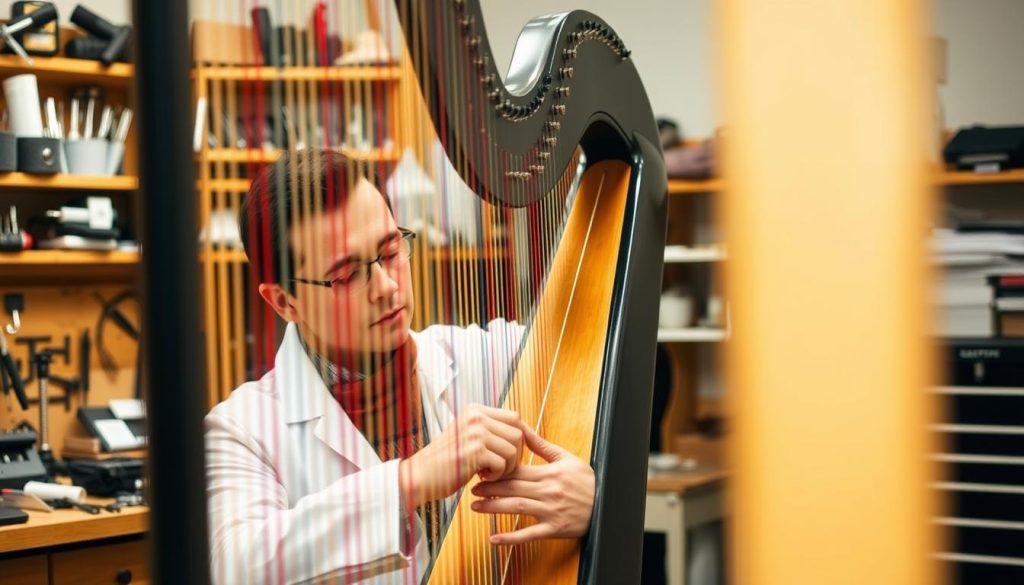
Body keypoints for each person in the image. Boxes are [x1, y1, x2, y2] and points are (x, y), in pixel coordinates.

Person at [205, 150, 596, 584]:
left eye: (391, 250)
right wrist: (409, 481)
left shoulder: (492, 357)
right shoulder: (240, 429)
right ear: (284, 301)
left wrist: (597, 501)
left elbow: (599, 342)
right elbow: (235, 566)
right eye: (348, 274)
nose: (388, 287)